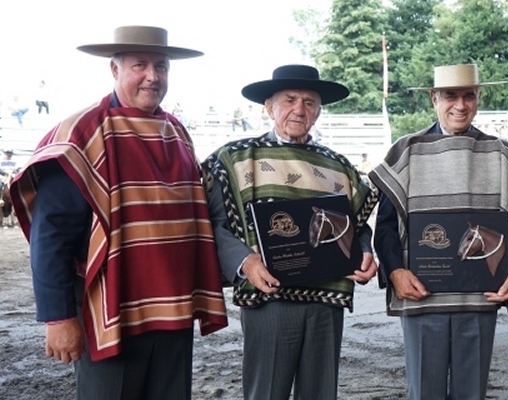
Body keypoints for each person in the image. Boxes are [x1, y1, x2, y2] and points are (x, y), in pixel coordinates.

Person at [8, 25, 228, 400]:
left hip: (174, 312)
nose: (152, 76)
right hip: (109, 313)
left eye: (161, 66)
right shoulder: (82, 135)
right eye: (139, 65)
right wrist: (59, 317)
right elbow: (51, 233)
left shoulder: (178, 134)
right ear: (114, 70)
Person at [368, 64, 508, 400]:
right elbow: (387, 225)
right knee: (425, 394)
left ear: (478, 98)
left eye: (469, 95)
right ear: (434, 98)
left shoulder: (503, 155)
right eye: (450, 95)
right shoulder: (406, 151)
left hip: (478, 298)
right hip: (420, 297)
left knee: (472, 394)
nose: (460, 105)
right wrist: (395, 271)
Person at [202, 64, 379, 400]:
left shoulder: (338, 166)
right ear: (269, 106)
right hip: (269, 298)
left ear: (319, 111)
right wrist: (246, 262)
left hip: (326, 301)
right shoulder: (237, 159)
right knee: (267, 392)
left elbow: (356, 224)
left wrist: (365, 252)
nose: (300, 109)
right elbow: (217, 226)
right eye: (290, 100)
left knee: (320, 393)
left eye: (310, 102)